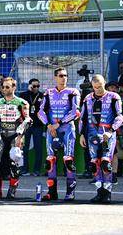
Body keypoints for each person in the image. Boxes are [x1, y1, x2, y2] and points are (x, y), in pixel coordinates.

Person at [79, 74, 123, 203]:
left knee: (105, 163)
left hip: (107, 134)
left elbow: (120, 117)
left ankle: (107, 193)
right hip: (91, 134)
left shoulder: (114, 97)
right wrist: (81, 134)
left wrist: (111, 131)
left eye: (100, 86)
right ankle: (99, 192)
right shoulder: (88, 98)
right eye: (95, 87)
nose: (98, 89)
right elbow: (83, 118)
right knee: (94, 163)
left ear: (104, 83)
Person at [37, 67, 80, 201]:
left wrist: (58, 123)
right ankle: (52, 192)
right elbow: (40, 112)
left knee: (68, 160)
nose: (64, 78)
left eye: (65, 75)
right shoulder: (48, 92)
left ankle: (70, 193)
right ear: (55, 77)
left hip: (67, 129)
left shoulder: (73, 92)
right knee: (50, 160)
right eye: (61, 76)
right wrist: (49, 125)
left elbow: (75, 112)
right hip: (52, 130)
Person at [0, 77, 32, 200]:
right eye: (3, 87)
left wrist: (20, 136)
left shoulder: (22, 102)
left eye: (7, 87)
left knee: (14, 164)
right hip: (2, 135)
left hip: (15, 136)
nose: (4, 89)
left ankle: (12, 191)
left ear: (14, 87)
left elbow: (28, 120)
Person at [20, 78, 44, 176]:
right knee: (24, 147)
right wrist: (29, 91)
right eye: (34, 86)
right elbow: (21, 105)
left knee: (38, 148)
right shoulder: (24, 95)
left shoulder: (42, 96)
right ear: (30, 86)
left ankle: (36, 170)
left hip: (38, 125)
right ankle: (24, 169)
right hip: (26, 125)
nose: (36, 88)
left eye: (38, 86)